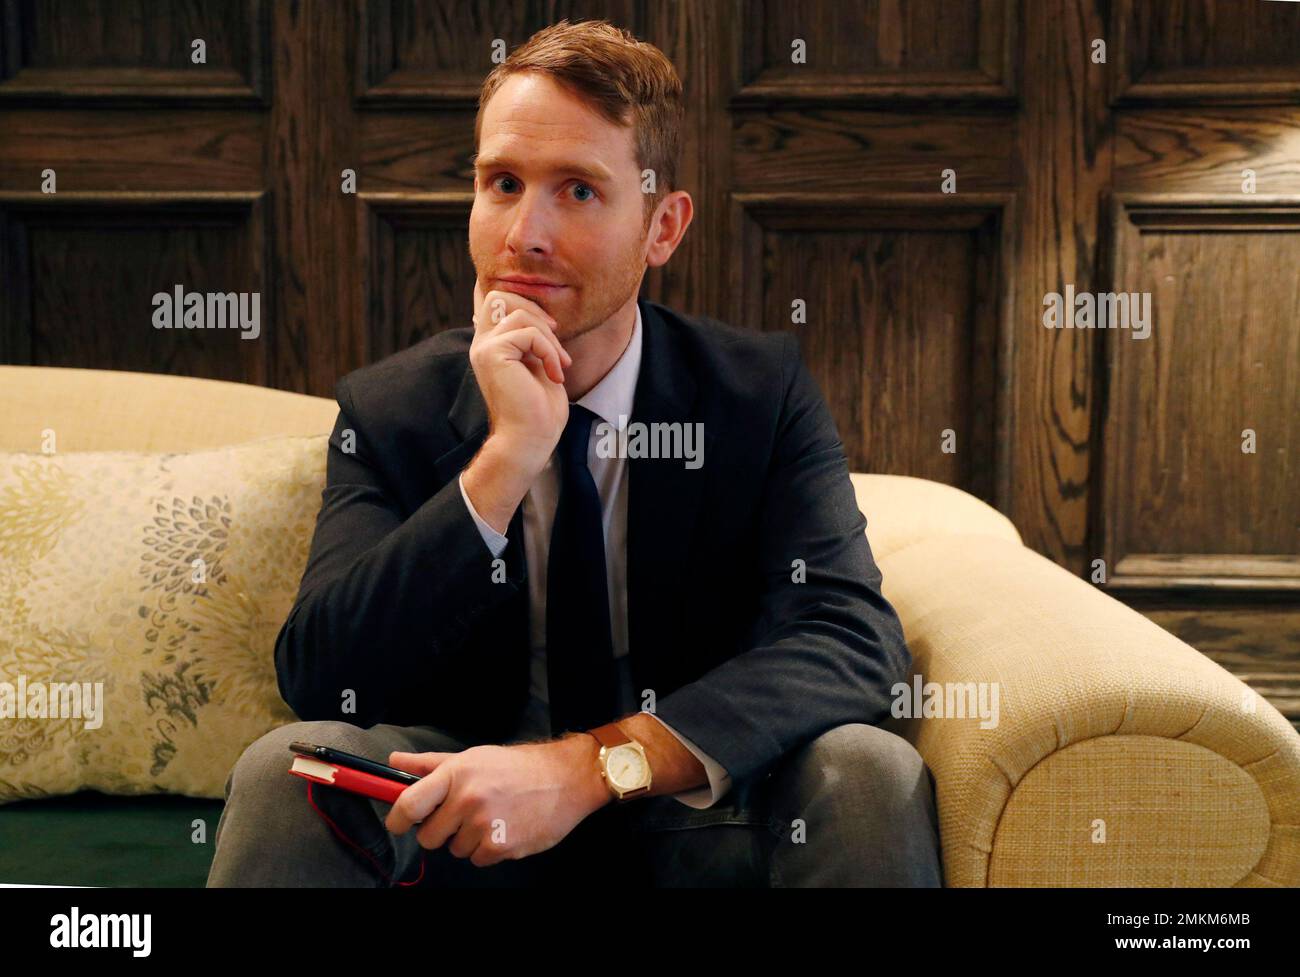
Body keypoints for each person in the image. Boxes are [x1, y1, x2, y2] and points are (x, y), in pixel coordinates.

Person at [207, 18, 942, 888]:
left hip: (685, 805)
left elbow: (849, 638)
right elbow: (324, 674)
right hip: (462, 819)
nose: (525, 233)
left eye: (579, 191)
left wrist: (587, 769)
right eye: (504, 182)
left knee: (868, 769)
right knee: (284, 768)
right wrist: (508, 457)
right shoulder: (391, 407)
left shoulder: (755, 394)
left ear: (662, 226)